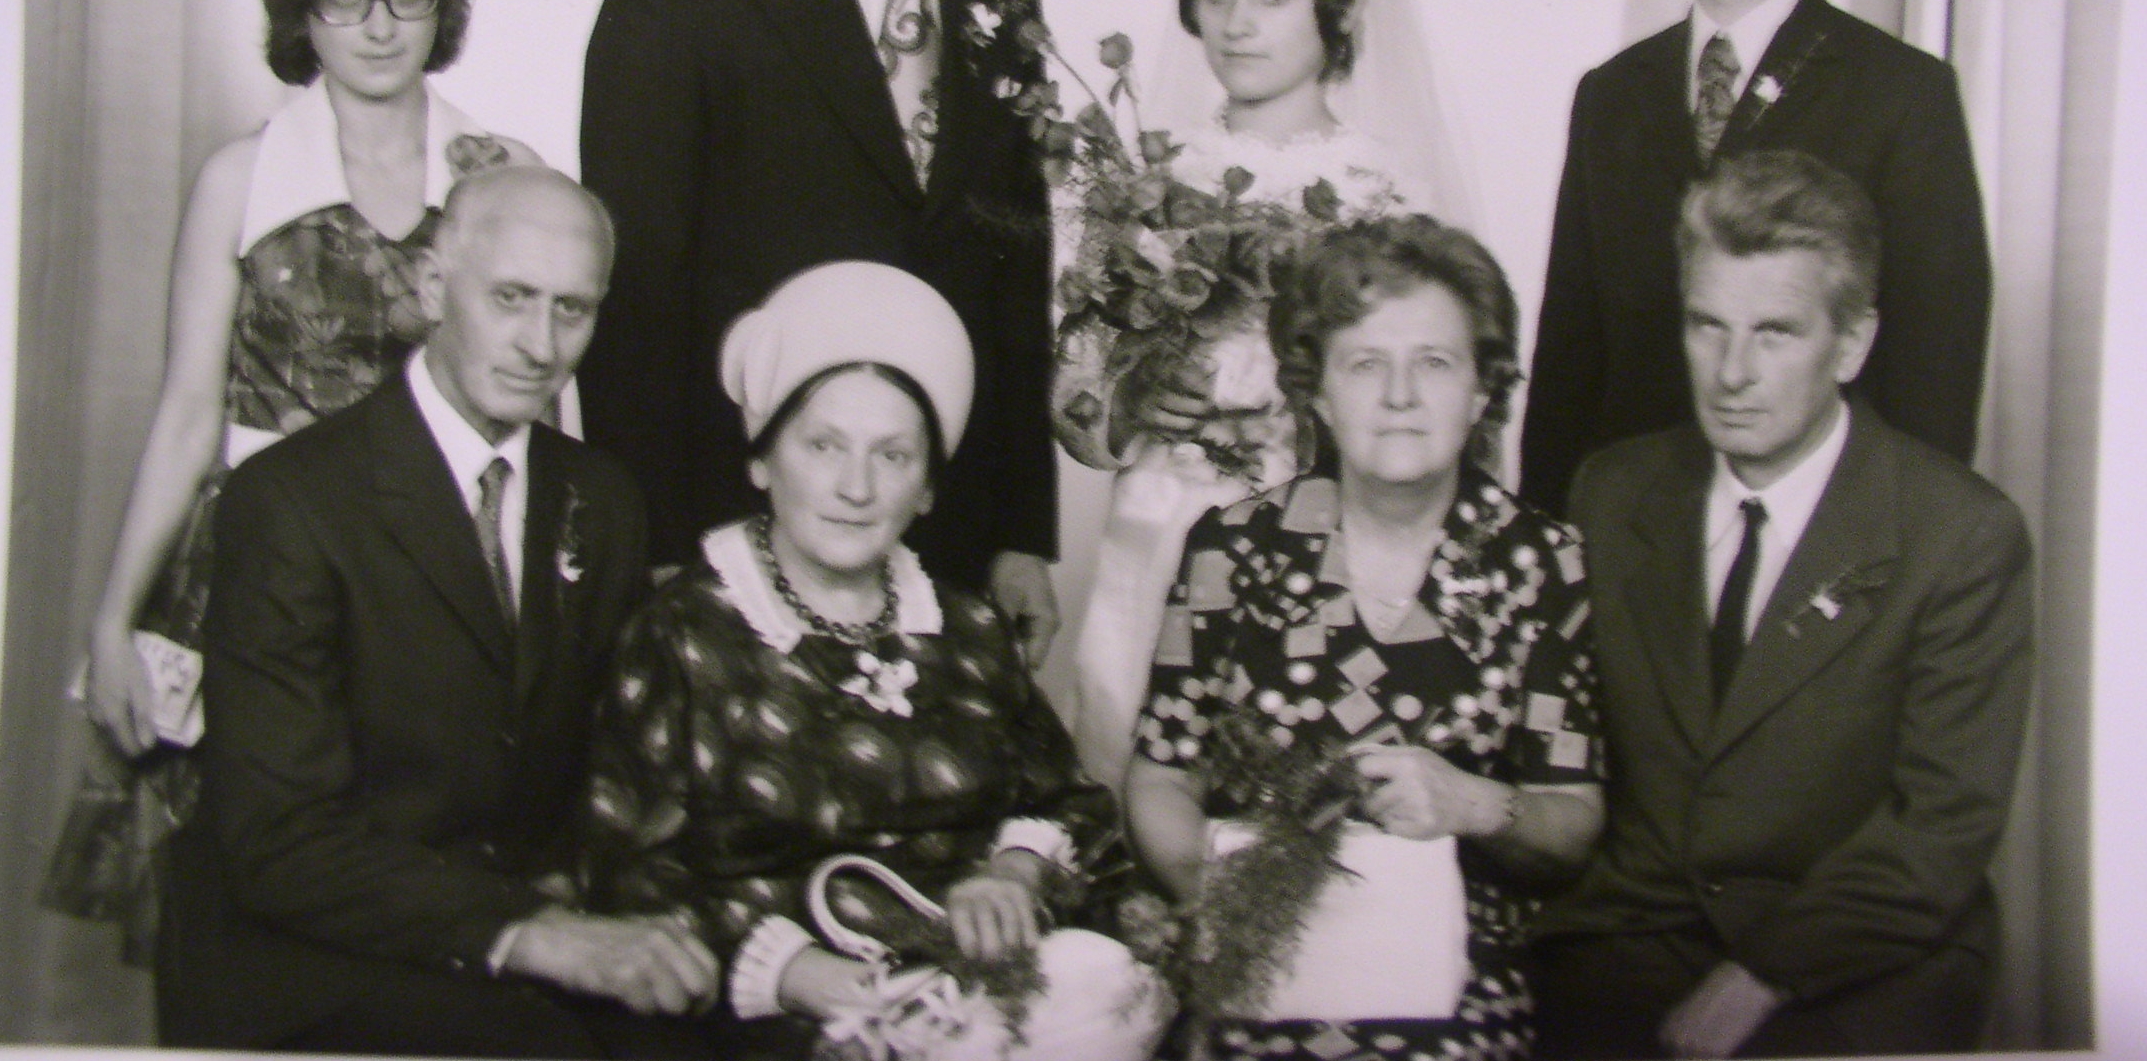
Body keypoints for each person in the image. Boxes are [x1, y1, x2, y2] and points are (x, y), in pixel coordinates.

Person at [39, 0, 533, 962]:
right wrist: (112, 621)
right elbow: (185, 415)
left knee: (414, 908)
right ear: (298, 8)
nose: (378, 23)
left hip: (433, 584)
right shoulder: (241, 178)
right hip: (257, 584)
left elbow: (544, 429)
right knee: (245, 918)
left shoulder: (502, 175)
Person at [157, 167, 724, 1056]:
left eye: (571, 310)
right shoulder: (289, 500)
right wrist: (528, 935)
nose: (539, 344)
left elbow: (615, 775)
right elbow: (281, 841)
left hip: (526, 923)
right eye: (510, 298)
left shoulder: (605, 500)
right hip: (321, 948)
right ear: (431, 287)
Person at [578, 0, 1058, 661]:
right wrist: (655, 542)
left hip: (954, 535)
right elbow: (635, 293)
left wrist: (1025, 530)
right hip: (732, 532)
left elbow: (1019, 281)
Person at [1530, 150, 2032, 1059]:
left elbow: (1941, 830)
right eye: (1705, 326)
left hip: (1864, 958)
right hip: (1636, 938)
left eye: (1774, 333)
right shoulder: (1609, 494)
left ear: (1850, 343)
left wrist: (1764, 974)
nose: (1730, 372)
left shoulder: (1960, 534)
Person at [572, 261, 1127, 1057]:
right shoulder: (684, 631)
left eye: (893, 456)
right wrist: (792, 969)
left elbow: (1076, 805)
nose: (855, 487)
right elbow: (616, 868)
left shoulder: (966, 627)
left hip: (973, 993)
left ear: (928, 489)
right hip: (784, 1019)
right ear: (762, 462)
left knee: (1099, 980)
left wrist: (1013, 870)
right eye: (824, 445)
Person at [1126, 216, 1605, 1061]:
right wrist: (1231, 903)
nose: (1398, 396)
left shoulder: (1543, 564)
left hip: (1453, 975)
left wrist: (1472, 803)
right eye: (1363, 364)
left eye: (1434, 363)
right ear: (1314, 391)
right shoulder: (1230, 549)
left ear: (1483, 389)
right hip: (1259, 953)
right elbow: (1161, 772)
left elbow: (1572, 820)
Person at [1520, 0, 1991, 517]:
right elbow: (1571, 357)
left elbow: (1933, 376)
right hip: (1631, 537)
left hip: (1816, 547)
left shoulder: (1902, 94)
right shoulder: (1610, 94)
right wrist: (1544, 547)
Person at [1057, 0, 1449, 788]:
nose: (1237, 23)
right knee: (1131, 755)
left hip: (1314, 534)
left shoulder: (1382, 195)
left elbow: (1422, 413)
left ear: (1339, 10)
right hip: (1156, 523)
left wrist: (1297, 410)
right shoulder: (1146, 179)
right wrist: (1133, 397)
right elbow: (1072, 406)